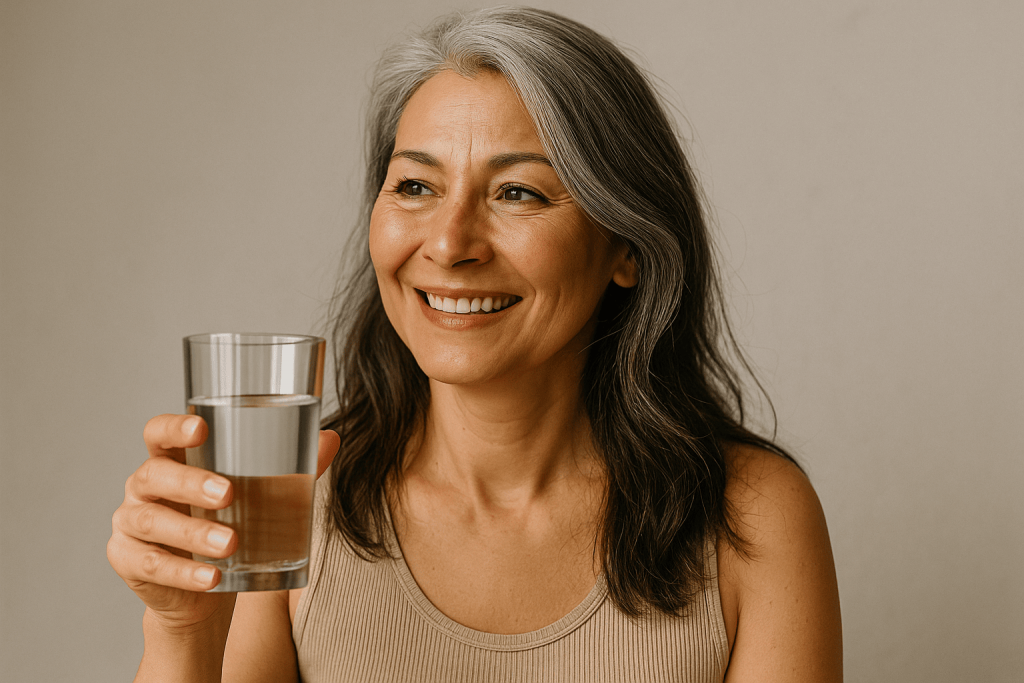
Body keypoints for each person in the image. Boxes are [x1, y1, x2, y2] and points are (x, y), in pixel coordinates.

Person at [108, 7, 842, 682]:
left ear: (627, 245)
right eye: (415, 187)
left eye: (517, 192)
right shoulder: (285, 506)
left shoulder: (752, 517)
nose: (449, 243)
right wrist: (182, 632)